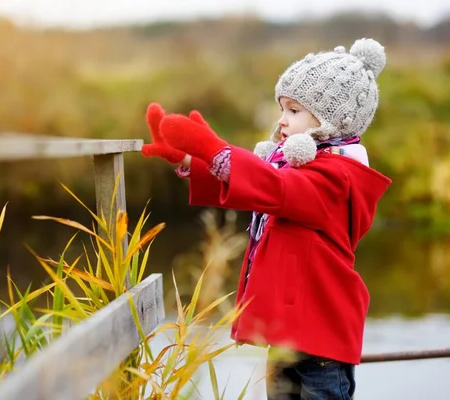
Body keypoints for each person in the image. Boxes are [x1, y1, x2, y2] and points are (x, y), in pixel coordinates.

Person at [141, 38, 392, 399]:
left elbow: (276, 189)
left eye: (294, 110)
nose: (282, 119)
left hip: (321, 340)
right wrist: (189, 160)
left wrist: (217, 152)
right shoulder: (297, 166)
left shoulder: (340, 177)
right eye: (282, 108)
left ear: (330, 119)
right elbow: (259, 185)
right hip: (291, 332)